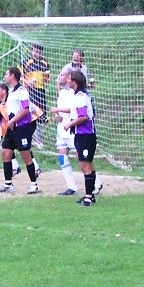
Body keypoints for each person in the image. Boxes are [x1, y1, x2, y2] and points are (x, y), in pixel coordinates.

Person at [51, 68, 103, 197]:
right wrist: (57, 115)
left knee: (84, 160)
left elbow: (76, 111)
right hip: (63, 129)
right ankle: (71, 186)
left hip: (76, 130)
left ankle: (96, 184)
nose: (59, 77)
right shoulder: (62, 92)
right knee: (62, 158)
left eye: (62, 75)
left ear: (70, 77)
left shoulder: (75, 93)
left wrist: (59, 110)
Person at [0, 67, 40, 194]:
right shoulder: (11, 91)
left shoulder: (22, 90)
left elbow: (25, 109)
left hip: (22, 128)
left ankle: (34, 184)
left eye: (6, 74)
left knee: (25, 155)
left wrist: (13, 120)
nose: (5, 76)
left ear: (13, 76)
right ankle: (8, 183)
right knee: (6, 153)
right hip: (11, 128)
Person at [63, 71, 100, 206]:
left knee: (85, 165)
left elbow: (83, 117)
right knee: (86, 164)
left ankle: (89, 197)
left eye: (69, 78)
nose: (67, 80)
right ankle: (90, 195)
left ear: (75, 81)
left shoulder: (80, 96)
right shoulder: (79, 95)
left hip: (86, 135)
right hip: (82, 135)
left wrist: (69, 124)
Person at [20, 43, 50, 149]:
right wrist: (28, 82)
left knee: (41, 114)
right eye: (34, 51)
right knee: (31, 114)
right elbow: (20, 77)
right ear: (32, 51)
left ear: (41, 52)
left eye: (38, 51)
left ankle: (39, 139)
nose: (36, 53)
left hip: (40, 91)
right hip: (30, 91)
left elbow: (47, 78)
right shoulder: (26, 63)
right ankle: (30, 138)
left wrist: (46, 79)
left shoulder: (45, 63)